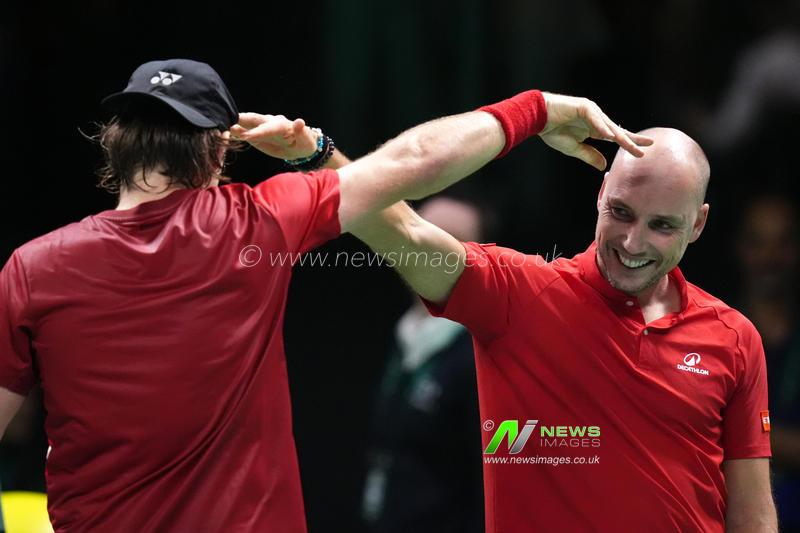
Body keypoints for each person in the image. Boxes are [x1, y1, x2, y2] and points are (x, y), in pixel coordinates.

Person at [0, 60, 643, 531]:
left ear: (116, 139)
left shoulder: (31, 271)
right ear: (218, 147)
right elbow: (418, 158)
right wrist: (540, 108)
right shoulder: (256, 222)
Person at [237, 96, 778, 530]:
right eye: (621, 212)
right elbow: (401, 228)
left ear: (699, 224)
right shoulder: (518, 295)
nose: (634, 242)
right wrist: (316, 153)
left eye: (663, 225)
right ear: (600, 195)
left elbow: (752, 514)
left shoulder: (734, 338)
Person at [361, 197, 485, 533]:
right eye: (421, 234)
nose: (428, 250)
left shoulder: (480, 357)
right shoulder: (402, 335)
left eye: (448, 239)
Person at [735, 194, 800, 529]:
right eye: (757, 242)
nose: (769, 258)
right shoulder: (713, 335)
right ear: (738, 248)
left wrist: (737, 434)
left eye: (783, 242)